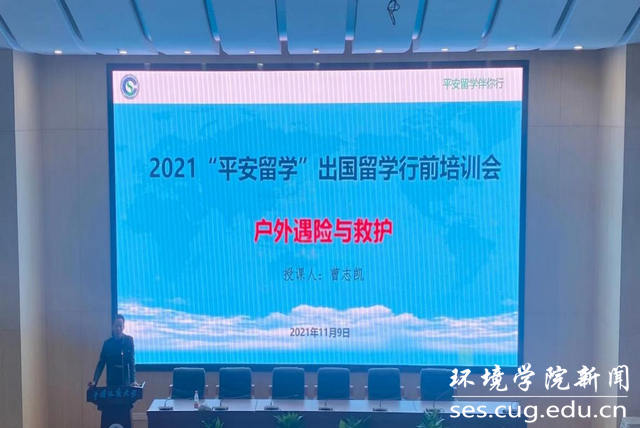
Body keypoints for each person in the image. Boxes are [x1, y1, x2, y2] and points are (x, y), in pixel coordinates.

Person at [88, 314, 139, 388]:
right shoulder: (107, 344)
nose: (118, 329)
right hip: (111, 383)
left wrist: (133, 381)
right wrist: (94, 381)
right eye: (116, 326)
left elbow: (131, 362)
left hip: (125, 383)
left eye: (120, 326)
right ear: (112, 327)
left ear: (123, 327)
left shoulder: (129, 341)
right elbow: (101, 364)